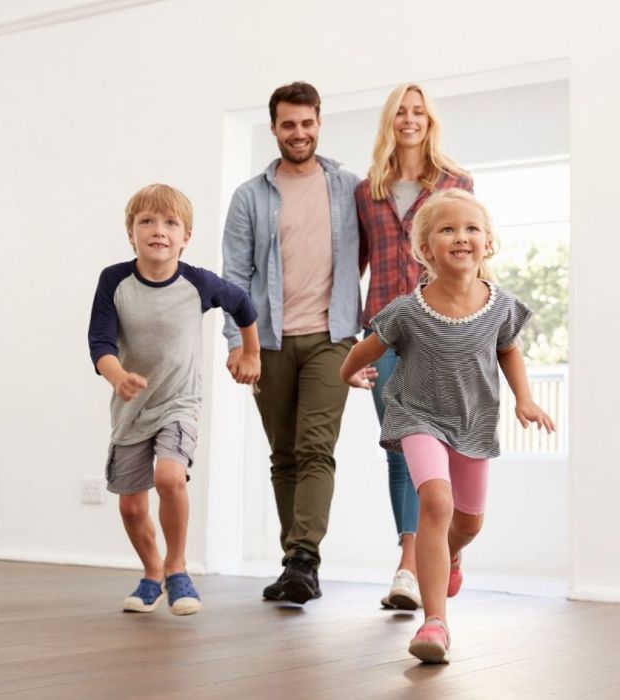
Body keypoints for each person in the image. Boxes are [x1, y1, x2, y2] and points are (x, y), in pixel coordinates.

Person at [340, 189, 555, 663]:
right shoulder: (407, 309)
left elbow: (508, 350)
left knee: (470, 522)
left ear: (489, 243)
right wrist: (348, 373)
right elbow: (366, 348)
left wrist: (525, 398)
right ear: (426, 248)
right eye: (448, 229)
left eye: (471, 229)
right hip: (417, 415)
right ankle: (435, 623)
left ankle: (452, 555)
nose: (461, 237)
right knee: (435, 502)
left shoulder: (501, 306)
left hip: (474, 422)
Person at [221, 82, 369, 605]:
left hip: (332, 338)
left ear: (319, 123)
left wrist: (357, 317)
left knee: (314, 448)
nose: (299, 133)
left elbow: (369, 252)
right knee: (283, 454)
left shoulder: (350, 187)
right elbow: (235, 277)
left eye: (307, 123)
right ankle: (294, 565)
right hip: (269, 341)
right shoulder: (249, 196)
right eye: (289, 125)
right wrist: (241, 346)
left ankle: (305, 557)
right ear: (274, 129)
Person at [88, 183, 260, 615]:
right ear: (131, 233)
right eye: (146, 221)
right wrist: (117, 376)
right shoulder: (114, 280)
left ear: (186, 236)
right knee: (130, 506)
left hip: (180, 402)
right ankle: (152, 573)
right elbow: (100, 342)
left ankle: (178, 567)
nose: (158, 230)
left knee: (169, 478)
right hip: (131, 406)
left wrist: (249, 351)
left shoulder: (198, 282)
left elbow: (243, 305)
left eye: (170, 223)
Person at [354, 84, 474, 610]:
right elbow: (356, 265)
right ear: (389, 121)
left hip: (443, 328)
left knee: (440, 445)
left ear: (430, 120)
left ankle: (438, 551)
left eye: (418, 111)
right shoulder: (368, 190)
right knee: (399, 447)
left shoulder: (456, 181)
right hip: (384, 331)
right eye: (400, 112)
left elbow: (472, 250)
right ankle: (407, 563)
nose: (409, 120)